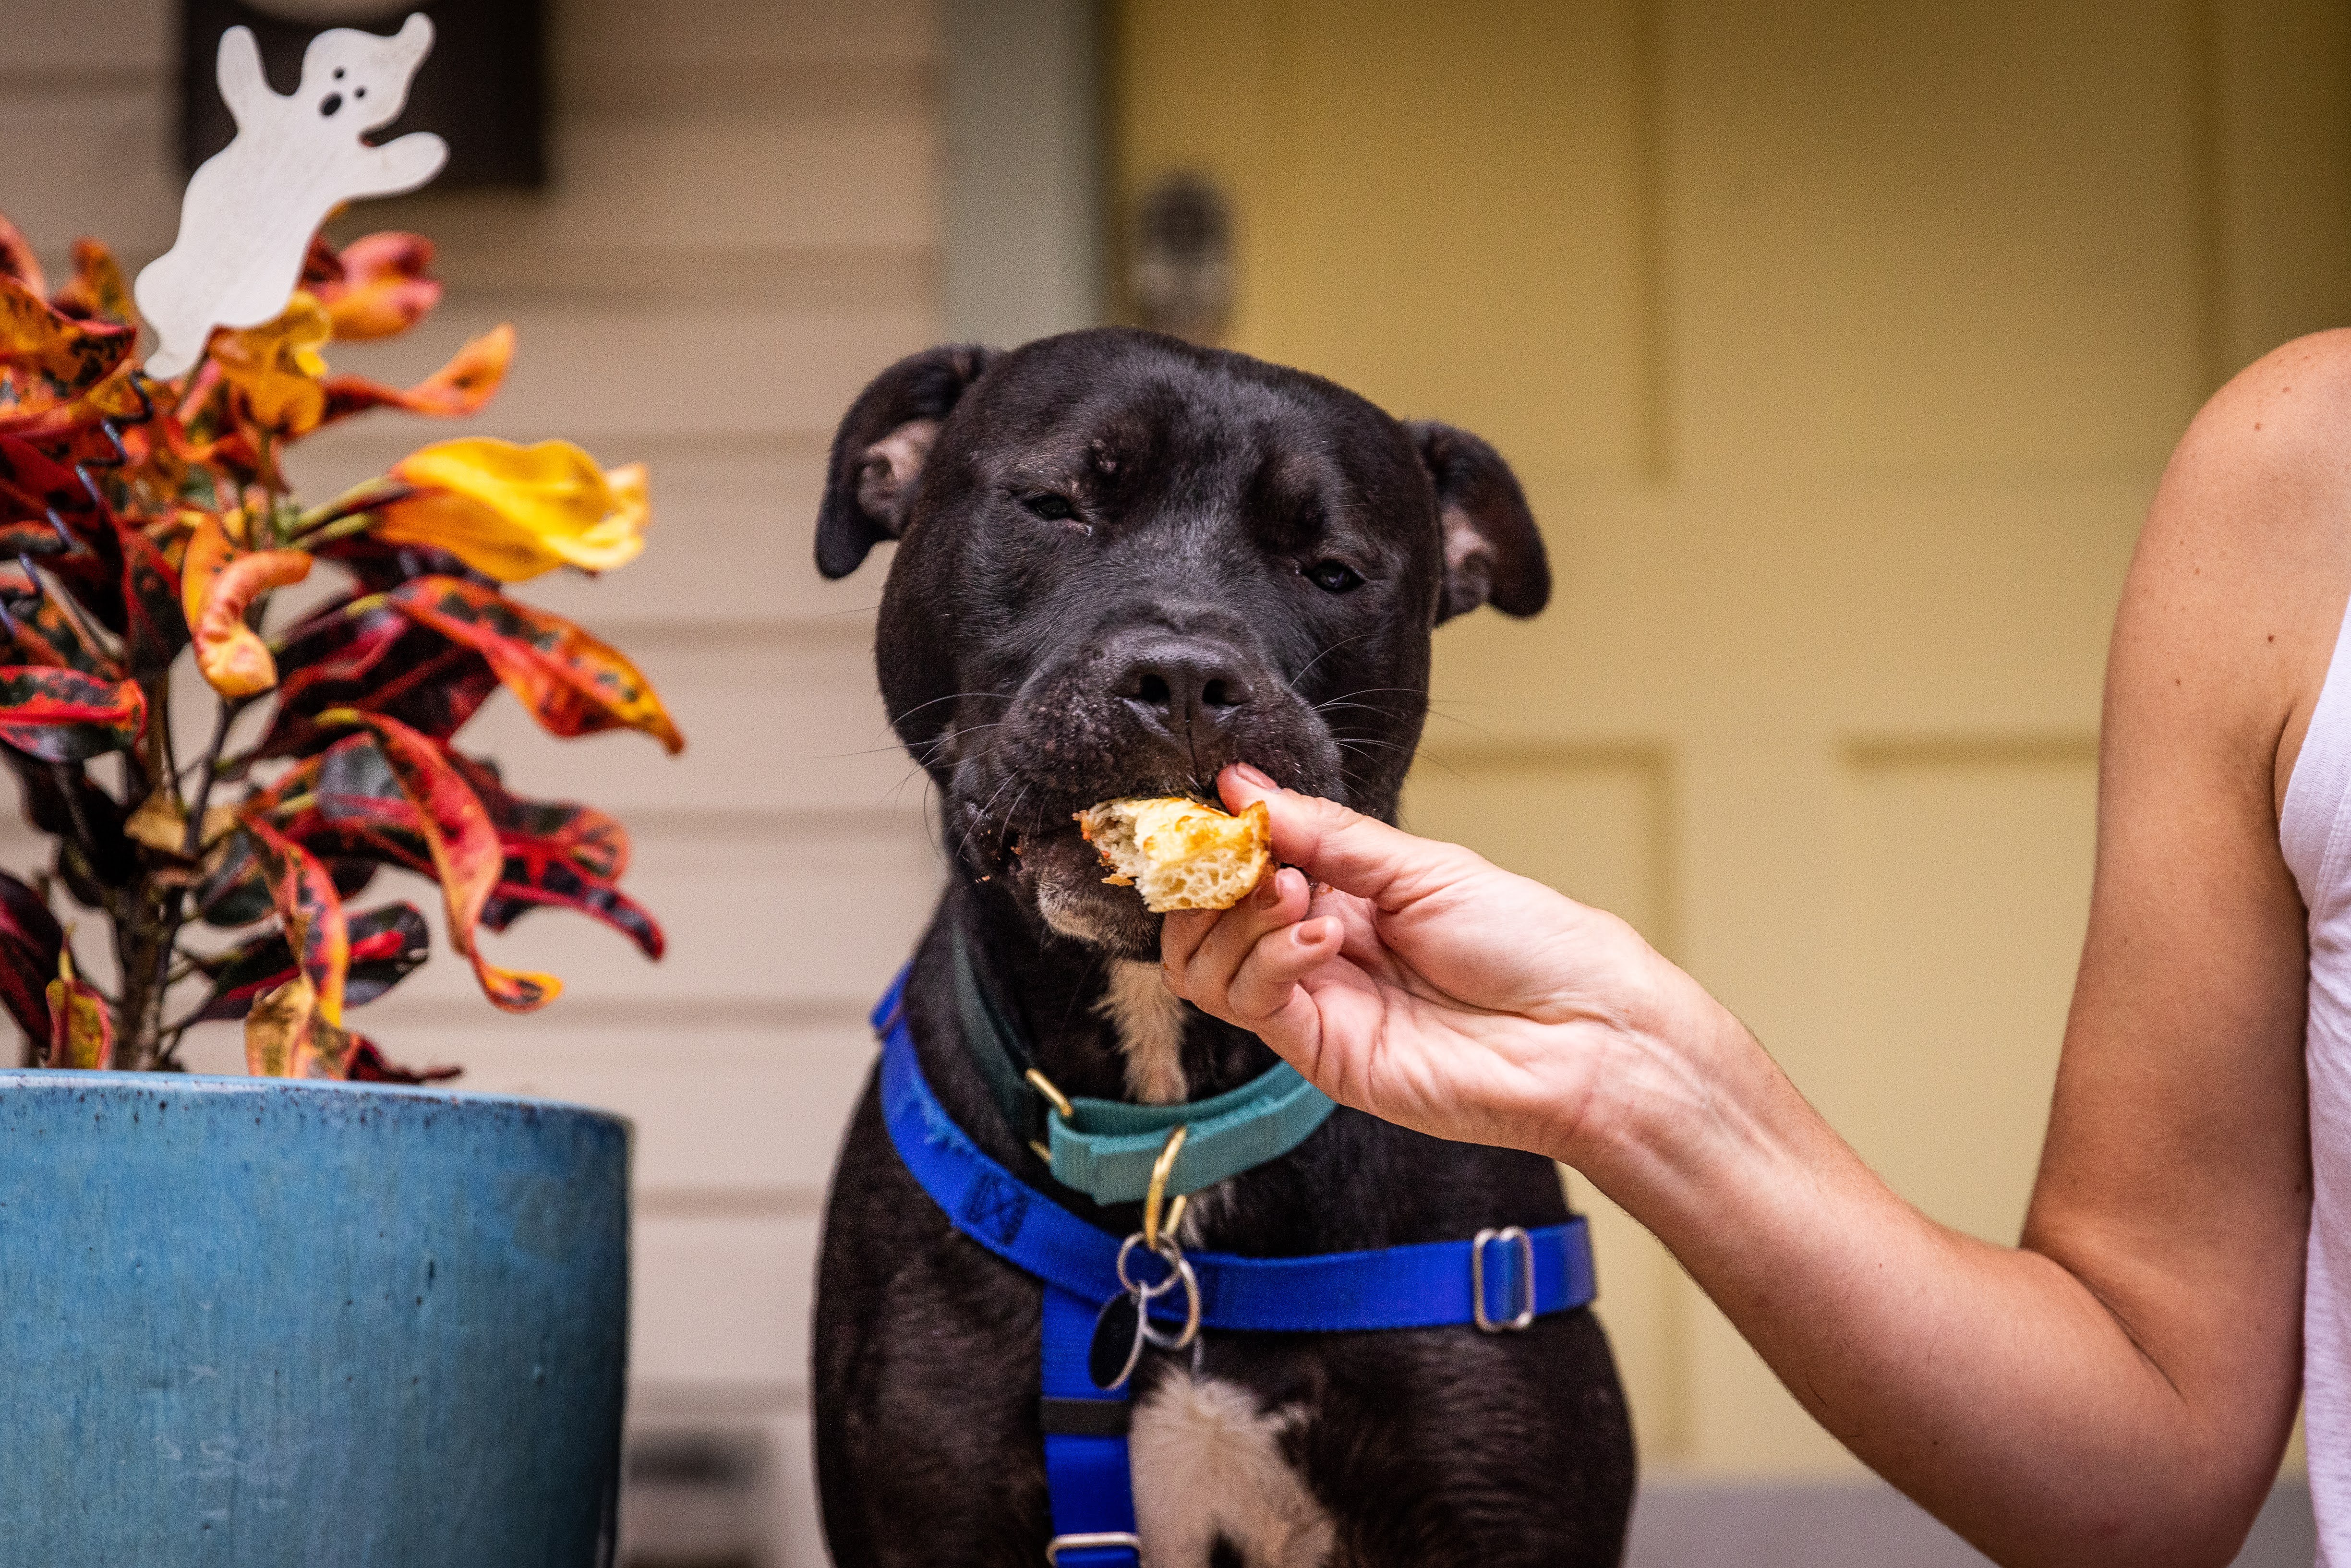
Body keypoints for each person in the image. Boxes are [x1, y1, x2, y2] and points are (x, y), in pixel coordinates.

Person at [1160, 333, 2351, 1568]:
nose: (1178, 655)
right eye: (1051, 507)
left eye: (1337, 565)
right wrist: (1618, 1066)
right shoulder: (2298, 470)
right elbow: (2149, 1470)